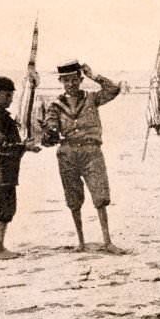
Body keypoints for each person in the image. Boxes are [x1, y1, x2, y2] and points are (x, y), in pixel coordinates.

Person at [42, 60, 124, 254]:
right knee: (73, 198)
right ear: (61, 81)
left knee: (100, 195)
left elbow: (113, 90)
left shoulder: (92, 99)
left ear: (80, 79)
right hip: (67, 154)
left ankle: (107, 241)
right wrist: (50, 132)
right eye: (66, 81)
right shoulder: (55, 105)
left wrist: (94, 76)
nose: (70, 84)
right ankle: (81, 241)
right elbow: (49, 129)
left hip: (92, 152)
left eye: (74, 80)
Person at [0, 77, 41, 259]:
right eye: (7, 95)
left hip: (1, 171)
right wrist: (24, 147)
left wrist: (23, 145)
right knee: (5, 209)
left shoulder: (0, 116)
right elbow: (1, 146)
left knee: (6, 208)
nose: (10, 99)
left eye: (11, 95)